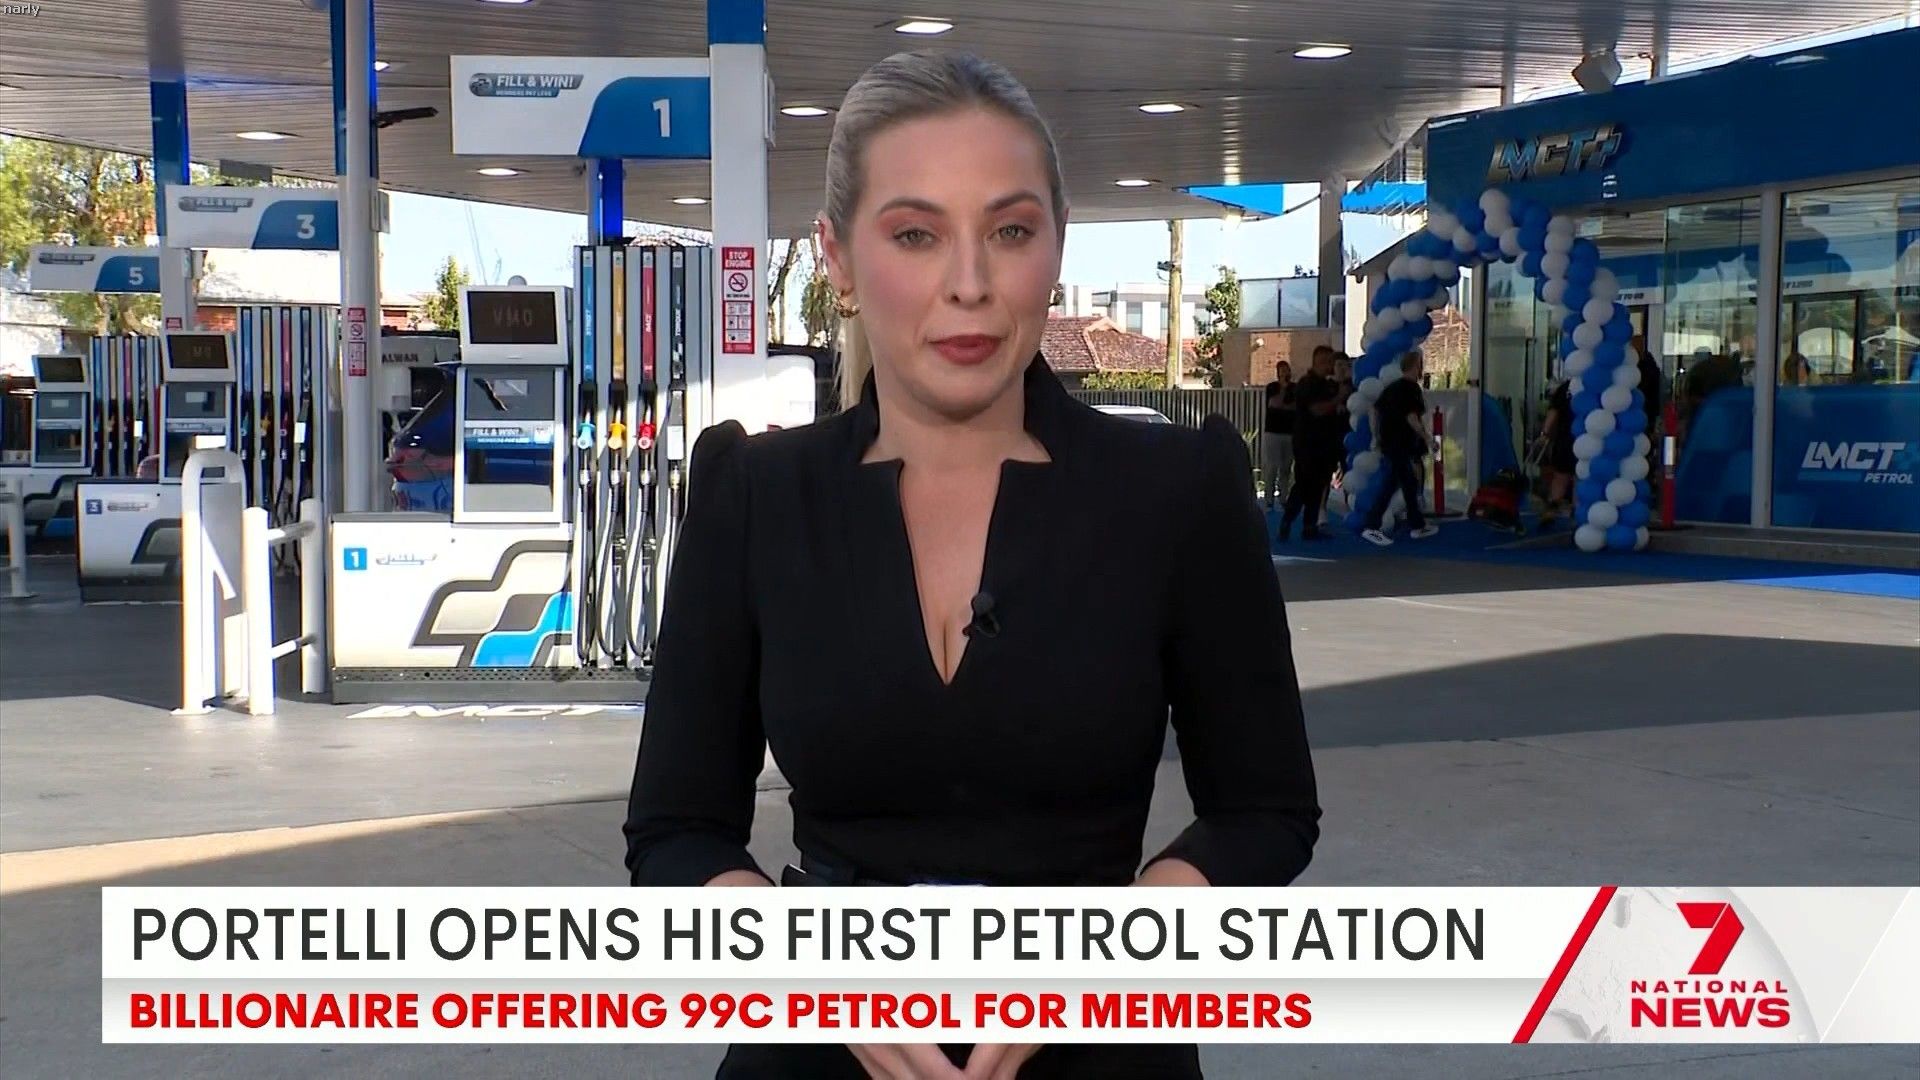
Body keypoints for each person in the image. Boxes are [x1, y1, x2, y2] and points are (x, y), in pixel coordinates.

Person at [623, 50, 1320, 1080]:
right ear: (838, 259)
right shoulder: (755, 495)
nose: (970, 284)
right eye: (916, 234)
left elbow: (1266, 812)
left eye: (1010, 231)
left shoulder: (1177, 490)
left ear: (1055, 246)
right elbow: (676, 830)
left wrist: (1109, 956)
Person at [1359, 350, 1439, 546]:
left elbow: (1374, 410)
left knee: (1400, 481)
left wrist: (1377, 435)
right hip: (1401, 443)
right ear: (1416, 366)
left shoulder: (1392, 388)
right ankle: (1373, 524)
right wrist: (1428, 438)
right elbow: (1412, 417)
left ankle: (1415, 524)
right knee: (1401, 483)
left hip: (1389, 442)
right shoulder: (1411, 390)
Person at [1276, 347, 1341, 541]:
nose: (1331, 366)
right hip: (1308, 442)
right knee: (1305, 483)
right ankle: (1288, 519)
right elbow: (1317, 409)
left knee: (1319, 484)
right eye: (1329, 362)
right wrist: (1339, 398)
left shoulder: (1328, 385)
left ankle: (1309, 526)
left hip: (1325, 442)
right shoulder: (1307, 384)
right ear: (1320, 362)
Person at [1534, 375, 1576, 531]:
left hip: (1564, 439)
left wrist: (1545, 433)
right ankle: (1577, 513)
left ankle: (1551, 510)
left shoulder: (1564, 389)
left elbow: (1553, 412)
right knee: (1579, 477)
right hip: (1583, 439)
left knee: (1560, 476)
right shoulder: (1590, 388)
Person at [1261, 360, 1296, 509]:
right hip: (1273, 432)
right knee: (1272, 466)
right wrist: (1283, 389)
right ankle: (1269, 498)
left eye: (1286, 370)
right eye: (1282, 371)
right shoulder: (1272, 387)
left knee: (1286, 467)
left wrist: (1285, 406)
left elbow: (1295, 406)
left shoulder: (1295, 388)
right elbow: (1274, 404)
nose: (1285, 373)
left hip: (1289, 432)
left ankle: (1283, 497)